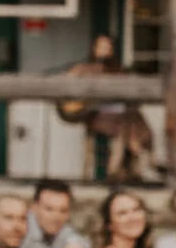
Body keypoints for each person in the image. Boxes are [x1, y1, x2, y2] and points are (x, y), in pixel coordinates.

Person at [65, 34, 155, 183]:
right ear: (94, 48)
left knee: (133, 117)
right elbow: (66, 85)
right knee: (124, 125)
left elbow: (131, 95)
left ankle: (134, 164)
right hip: (97, 114)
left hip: (119, 112)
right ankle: (117, 169)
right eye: (101, 46)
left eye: (108, 47)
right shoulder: (82, 69)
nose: (105, 50)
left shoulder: (118, 70)